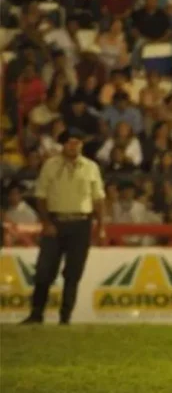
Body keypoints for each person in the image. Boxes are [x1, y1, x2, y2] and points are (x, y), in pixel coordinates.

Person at [22, 130, 105, 325]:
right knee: (44, 270)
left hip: (81, 222)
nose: (73, 146)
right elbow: (41, 196)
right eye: (69, 143)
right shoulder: (50, 165)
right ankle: (36, 313)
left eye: (77, 143)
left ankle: (65, 317)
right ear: (63, 145)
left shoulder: (91, 167)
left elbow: (98, 199)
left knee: (73, 272)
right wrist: (46, 222)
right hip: (56, 221)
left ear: (81, 145)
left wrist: (101, 225)